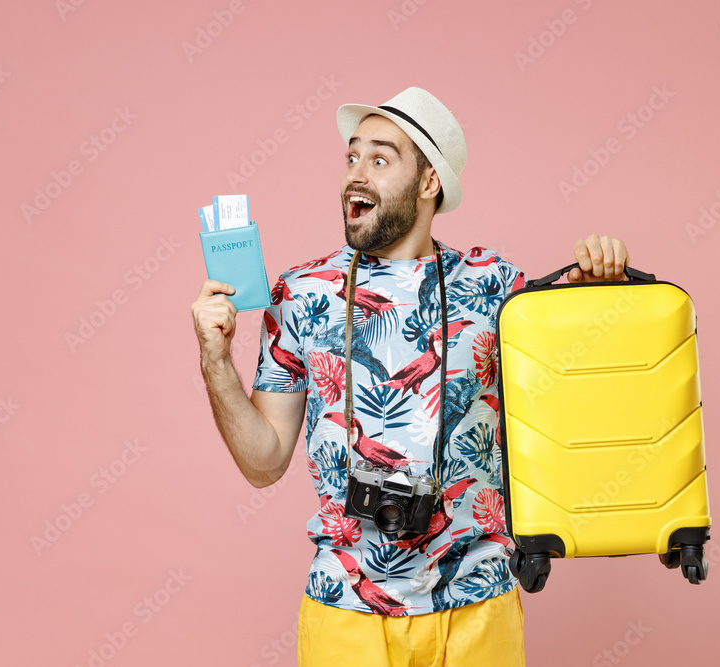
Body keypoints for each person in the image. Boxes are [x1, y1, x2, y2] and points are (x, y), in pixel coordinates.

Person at [191, 86, 629, 666]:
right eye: (351, 158)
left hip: (477, 603)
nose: (356, 175)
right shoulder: (301, 293)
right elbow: (263, 461)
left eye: (380, 159)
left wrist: (604, 294)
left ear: (428, 183)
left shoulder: (498, 287)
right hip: (344, 605)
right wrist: (214, 362)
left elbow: (584, 408)